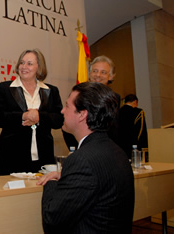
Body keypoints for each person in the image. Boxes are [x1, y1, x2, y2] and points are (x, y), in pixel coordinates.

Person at [37, 82, 134, 234]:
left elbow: (52, 222)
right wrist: (69, 176)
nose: (62, 111)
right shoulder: (118, 152)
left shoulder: (82, 160)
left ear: (82, 114)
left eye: (67, 106)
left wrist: (51, 182)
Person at [0, 49, 63, 175]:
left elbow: (59, 120)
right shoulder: (5, 88)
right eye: (21, 63)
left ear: (39, 67)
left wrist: (39, 116)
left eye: (29, 63)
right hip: (12, 156)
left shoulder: (51, 90)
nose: (24, 67)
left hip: (43, 156)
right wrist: (23, 116)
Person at [63, 55, 120, 149]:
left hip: (107, 147)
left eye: (103, 72)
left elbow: (115, 128)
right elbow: (68, 122)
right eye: (95, 71)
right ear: (89, 73)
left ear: (110, 76)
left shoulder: (114, 98)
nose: (98, 75)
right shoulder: (78, 94)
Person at [119, 94, 148, 158]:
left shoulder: (117, 112)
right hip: (134, 147)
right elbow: (141, 132)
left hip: (119, 148)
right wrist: (144, 148)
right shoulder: (138, 112)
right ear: (135, 101)